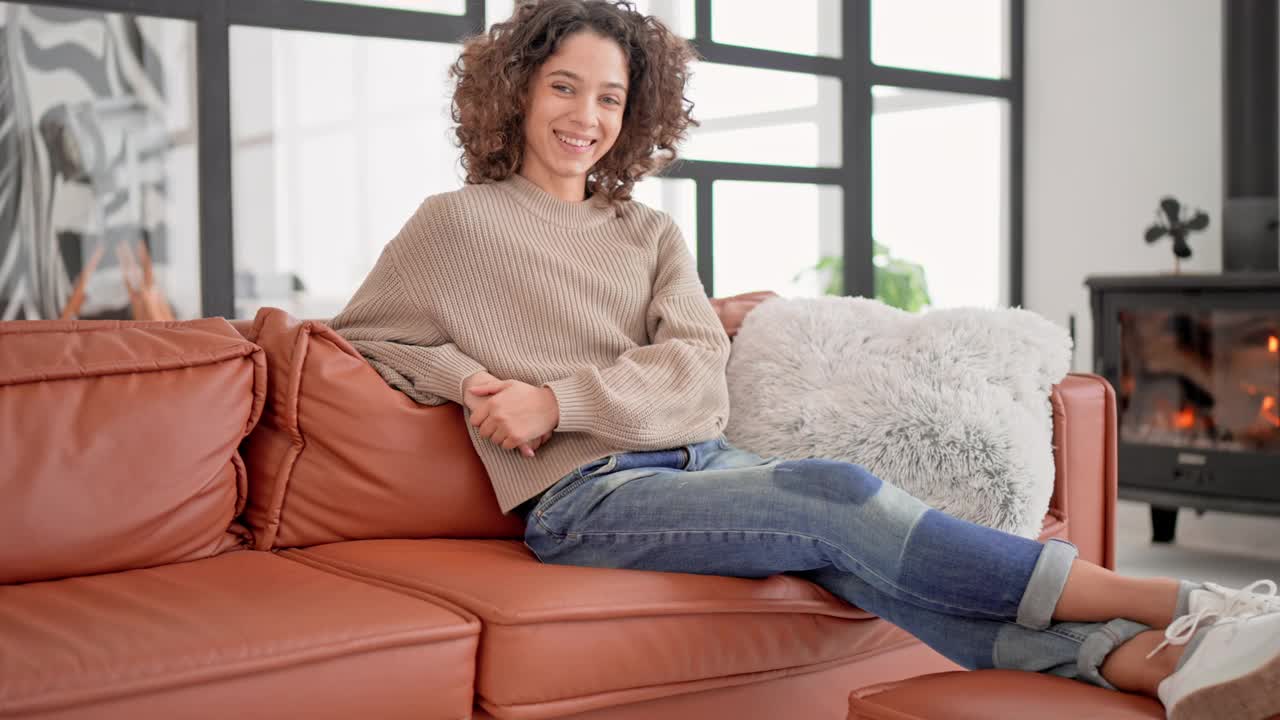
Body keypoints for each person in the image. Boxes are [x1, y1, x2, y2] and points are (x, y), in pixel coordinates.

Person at [327, 2, 1280, 718]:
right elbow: (371, 331)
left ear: (636, 111)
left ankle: (1152, 662)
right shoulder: (456, 224)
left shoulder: (647, 231)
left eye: (610, 96)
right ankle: (1187, 598)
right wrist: (486, 389)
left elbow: (699, 369)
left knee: (859, 564)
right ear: (519, 91)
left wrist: (560, 394)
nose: (586, 115)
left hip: (700, 461)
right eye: (564, 87)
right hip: (585, 499)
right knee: (839, 497)